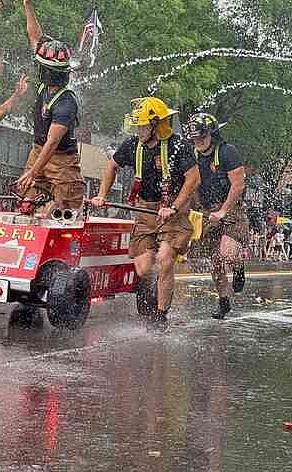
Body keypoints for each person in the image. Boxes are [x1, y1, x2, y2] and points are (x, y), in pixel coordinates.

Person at [90, 97, 199, 329]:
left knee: (165, 258)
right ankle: (155, 290)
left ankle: (161, 315)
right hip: (145, 210)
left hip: (173, 211)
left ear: (157, 125)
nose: (138, 130)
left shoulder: (180, 147)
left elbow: (193, 179)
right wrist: (102, 194)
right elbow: (111, 166)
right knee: (144, 267)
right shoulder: (132, 146)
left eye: (142, 126)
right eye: (137, 126)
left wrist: (174, 207)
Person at [15, 0, 85, 211]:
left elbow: (53, 142)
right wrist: (28, 5)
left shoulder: (66, 103)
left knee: (65, 211)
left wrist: (33, 173)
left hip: (62, 160)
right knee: (26, 204)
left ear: (46, 71)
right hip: (38, 150)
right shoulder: (47, 85)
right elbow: (34, 36)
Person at [185, 113, 249, 319]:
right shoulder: (192, 155)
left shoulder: (227, 152)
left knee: (227, 253)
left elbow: (238, 185)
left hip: (230, 208)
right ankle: (223, 301)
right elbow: (189, 184)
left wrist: (222, 211)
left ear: (212, 134)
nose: (198, 142)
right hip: (206, 209)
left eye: (202, 138)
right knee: (215, 260)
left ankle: (238, 267)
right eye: (194, 139)